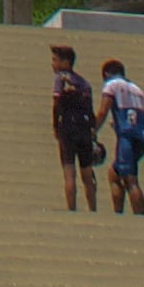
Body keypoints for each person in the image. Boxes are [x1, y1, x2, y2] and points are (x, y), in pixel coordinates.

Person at [46, 43, 103, 212]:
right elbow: (90, 111)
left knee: (69, 173)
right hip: (84, 129)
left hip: (67, 128)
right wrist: (92, 132)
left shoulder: (60, 79)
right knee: (87, 173)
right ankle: (93, 208)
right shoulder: (84, 83)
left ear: (66, 62)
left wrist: (55, 125)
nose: (53, 64)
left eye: (55, 60)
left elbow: (56, 104)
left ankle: (72, 209)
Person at [97, 56, 144, 215]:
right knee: (114, 174)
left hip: (126, 138)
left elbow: (103, 111)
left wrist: (93, 130)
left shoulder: (112, 85)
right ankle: (120, 213)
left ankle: (137, 215)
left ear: (107, 74)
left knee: (130, 179)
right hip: (141, 138)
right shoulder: (137, 89)